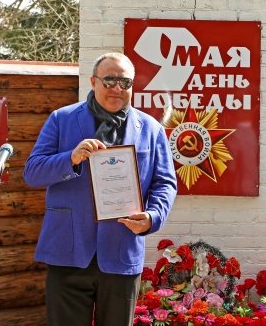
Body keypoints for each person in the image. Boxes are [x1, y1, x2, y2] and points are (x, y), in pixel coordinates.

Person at [23, 52, 177, 326]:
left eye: (125, 82)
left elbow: (165, 183)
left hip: (121, 252)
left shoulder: (151, 129)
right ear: (93, 82)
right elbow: (33, 172)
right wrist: (70, 157)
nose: (118, 88)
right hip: (68, 251)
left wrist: (153, 217)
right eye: (110, 80)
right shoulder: (62, 119)